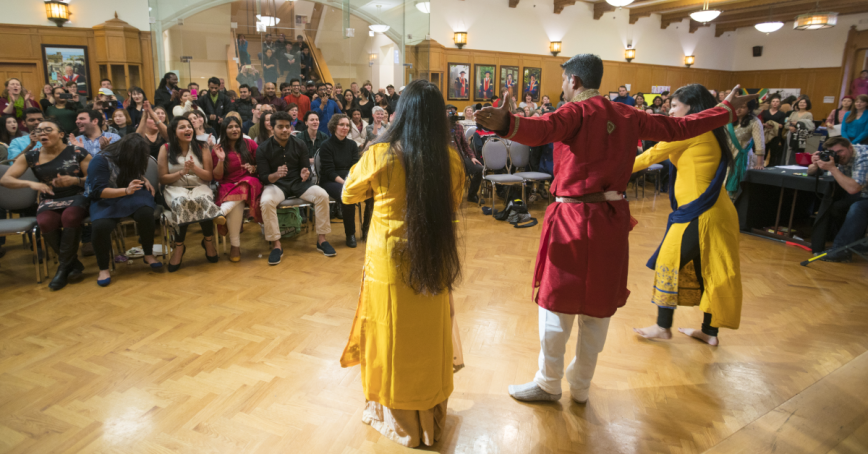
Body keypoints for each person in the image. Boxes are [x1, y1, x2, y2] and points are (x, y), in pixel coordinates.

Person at [475, 53, 756, 405]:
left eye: (564, 81)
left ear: (573, 81)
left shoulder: (574, 112)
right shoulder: (627, 114)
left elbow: (541, 129)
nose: (563, 87)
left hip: (573, 219)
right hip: (610, 221)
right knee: (598, 305)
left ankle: (548, 383)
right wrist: (725, 110)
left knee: (556, 304)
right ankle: (580, 387)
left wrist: (507, 124)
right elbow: (681, 127)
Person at [339, 79, 463, 448]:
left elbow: (348, 194)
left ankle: (397, 414)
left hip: (389, 260)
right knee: (428, 333)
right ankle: (430, 411)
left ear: (400, 114)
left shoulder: (383, 155)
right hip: (433, 256)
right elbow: (454, 203)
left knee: (391, 334)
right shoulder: (450, 159)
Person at [631, 84, 743, 346]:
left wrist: (604, 169)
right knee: (710, 272)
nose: (670, 112)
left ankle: (662, 327)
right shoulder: (708, 129)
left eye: (674, 106)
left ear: (691, 108)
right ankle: (709, 333)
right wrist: (724, 103)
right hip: (717, 211)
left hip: (701, 213)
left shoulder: (688, 131)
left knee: (668, 261)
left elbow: (647, 157)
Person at [0, 118, 91, 290]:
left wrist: (76, 180)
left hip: (77, 195)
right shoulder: (31, 156)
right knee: (45, 222)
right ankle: (73, 264)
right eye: (38, 131)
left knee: (70, 217)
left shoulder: (78, 152)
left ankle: (63, 268)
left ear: (61, 134)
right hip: (49, 198)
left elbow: (94, 179)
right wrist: (31, 184)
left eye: (48, 129)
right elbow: (5, 179)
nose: (42, 133)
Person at [257, 111, 335, 262]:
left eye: (287, 126)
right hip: (276, 185)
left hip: (298, 183)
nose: (285, 130)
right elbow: (264, 177)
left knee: (322, 195)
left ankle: (322, 240)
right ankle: (276, 245)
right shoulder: (263, 148)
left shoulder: (299, 144)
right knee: (266, 202)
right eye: (280, 127)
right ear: (272, 128)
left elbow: (305, 168)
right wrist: (276, 175)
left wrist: (305, 174)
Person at [86, 133, 162, 286]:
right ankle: (103, 268)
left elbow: (134, 172)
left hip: (130, 192)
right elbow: (98, 191)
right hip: (106, 197)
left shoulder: (129, 157)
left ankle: (148, 254)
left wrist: (144, 179)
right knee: (100, 226)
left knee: (146, 213)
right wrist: (126, 191)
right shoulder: (100, 160)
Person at [158, 116, 224, 272]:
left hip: (199, 185)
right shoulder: (165, 148)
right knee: (182, 203)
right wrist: (182, 172)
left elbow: (208, 176)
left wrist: (194, 169)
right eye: (182, 127)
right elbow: (162, 178)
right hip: (175, 188)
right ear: (174, 132)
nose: (187, 129)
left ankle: (208, 241)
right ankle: (179, 247)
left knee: (203, 200)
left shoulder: (202, 147)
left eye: (189, 126)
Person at [808, 137, 868, 262]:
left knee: (857, 208)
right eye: (834, 153)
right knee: (836, 207)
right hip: (863, 193)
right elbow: (810, 172)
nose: (838, 156)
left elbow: (853, 188)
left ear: (850, 148)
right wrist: (816, 164)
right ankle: (856, 243)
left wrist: (832, 169)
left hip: (861, 193)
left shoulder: (864, 156)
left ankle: (840, 250)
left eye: (840, 151)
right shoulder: (835, 158)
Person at [211, 116, 262, 262]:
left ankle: (221, 212)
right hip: (228, 185)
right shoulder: (218, 149)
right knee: (237, 203)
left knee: (245, 184)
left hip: (250, 182)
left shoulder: (250, 144)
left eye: (237, 126)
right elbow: (217, 176)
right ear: (224, 130)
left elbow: (262, 165)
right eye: (230, 127)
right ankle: (235, 246)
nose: (234, 129)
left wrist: (253, 168)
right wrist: (221, 159)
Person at [318, 114, 366, 247]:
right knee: (347, 194)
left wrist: (352, 181)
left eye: (347, 125)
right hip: (330, 181)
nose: (345, 128)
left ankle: (366, 229)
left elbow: (355, 167)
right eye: (341, 125)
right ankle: (350, 234)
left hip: (349, 179)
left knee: (371, 192)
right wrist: (346, 183)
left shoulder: (351, 145)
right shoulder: (326, 145)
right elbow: (329, 171)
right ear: (334, 127)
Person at [724, 98, 764, 196]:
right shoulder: (729, 120)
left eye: (742, 107)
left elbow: (760, 142)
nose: (738, 109)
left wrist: (760, 163)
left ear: (749, 109)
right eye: (736, 107)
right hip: (726, 156)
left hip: (741, 156)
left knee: (738, 185)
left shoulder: (755, 122)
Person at [450, 111, 483, 203]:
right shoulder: (439, 127)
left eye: (453, 112)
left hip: (461, 157)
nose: (451, 115)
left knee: (479, 169)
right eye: (448, 112)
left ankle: (472, 195)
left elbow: (465, 145)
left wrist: (472, 157)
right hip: (446, 158)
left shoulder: (459, 127)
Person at [760, 94, 789, 166]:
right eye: (773, 101)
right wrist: (765, 125)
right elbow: (760, 122)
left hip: (775, 135)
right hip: (765, 134)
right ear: (770, 103)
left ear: (779, 103)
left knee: (773, 152)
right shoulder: (764, 112)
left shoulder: (782, 114)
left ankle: (771, 166)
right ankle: (761, 165)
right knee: (764, 151)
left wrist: (772, 125)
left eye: (777, 101)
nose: (775, 103)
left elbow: (781, 125)